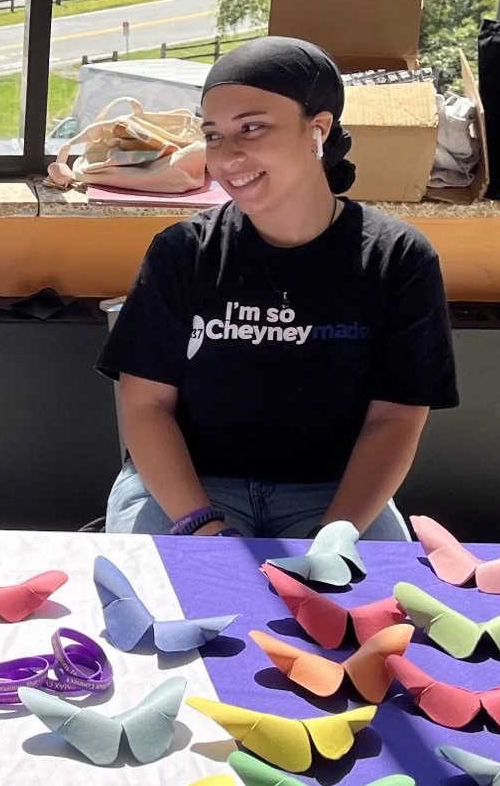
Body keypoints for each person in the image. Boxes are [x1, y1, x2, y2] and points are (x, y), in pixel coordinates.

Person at [99, 37, 458, 539]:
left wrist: (335, 535)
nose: (228, 156)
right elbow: (146, 407)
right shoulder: (182, 252)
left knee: (371, 592)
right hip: (188, 489)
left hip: (335, 494)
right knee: (172, 590)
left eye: (252, 127)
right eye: (213, 135)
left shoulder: (399, 259)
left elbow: (396, 418)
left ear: (318, 130)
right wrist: (203, 528)